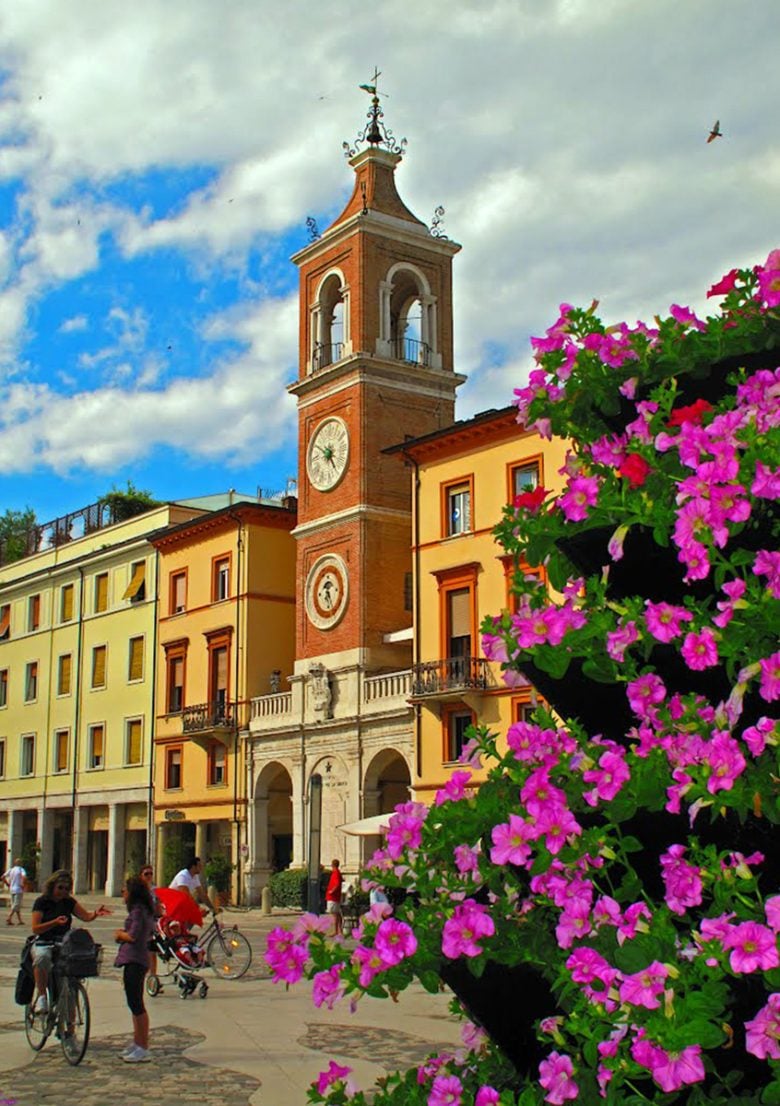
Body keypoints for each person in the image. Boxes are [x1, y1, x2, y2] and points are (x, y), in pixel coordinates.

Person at [30, 870, 112, 1014]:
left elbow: (85, 916)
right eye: (60, 887)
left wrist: (95, 914)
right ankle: (42, 996)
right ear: (53, 886)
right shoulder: (42, 902)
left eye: (67, 889)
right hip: (44, 941)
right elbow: (36, 928)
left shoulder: (68, 902)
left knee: (70, 980)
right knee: (42, 958)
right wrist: (54, 922)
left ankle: (70, 1028)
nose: (63, 892)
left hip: (64, 943)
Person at [114, 876, 155, 1063]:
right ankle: (137, 1042)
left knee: (137, 1004)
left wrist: (120, 934)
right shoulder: (143, 910)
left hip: (135, 959)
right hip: (136, 959)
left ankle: (143, 1046)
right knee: (133, 1003)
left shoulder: (138, 911)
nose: (123, 893)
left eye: (125, 889)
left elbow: (133, 935)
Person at [138, 864, 164, 983]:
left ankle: (153, 977)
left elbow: (158, 908)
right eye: (146, 874)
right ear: (141, 876)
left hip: (152, 923)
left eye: (151, 873)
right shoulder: (138, 891)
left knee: (152, 950)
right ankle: (138, 976)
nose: (149, 876)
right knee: (141, 951)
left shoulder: (154, 890)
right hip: (141, 922)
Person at [3, 857, 27, 926]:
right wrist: (22, 883)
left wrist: (7, 884)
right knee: (16, 904)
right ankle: (9, 917)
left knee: (15, 905)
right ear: (20, 863)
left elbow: (2, 877)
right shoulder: (21, 869)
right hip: (18, 889)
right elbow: (24, 877)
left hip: (12, 889)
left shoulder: (11, 870)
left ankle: (20, 920)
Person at [325, 858, 343, 937]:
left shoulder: (335, 873)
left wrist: (332, 891)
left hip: (333, 897)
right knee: (337, 914)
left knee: (334, 914)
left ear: (332, 865)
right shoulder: (337, 873)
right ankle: (340, 931)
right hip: (334, 897)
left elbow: (337, 884)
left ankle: (336, 931)